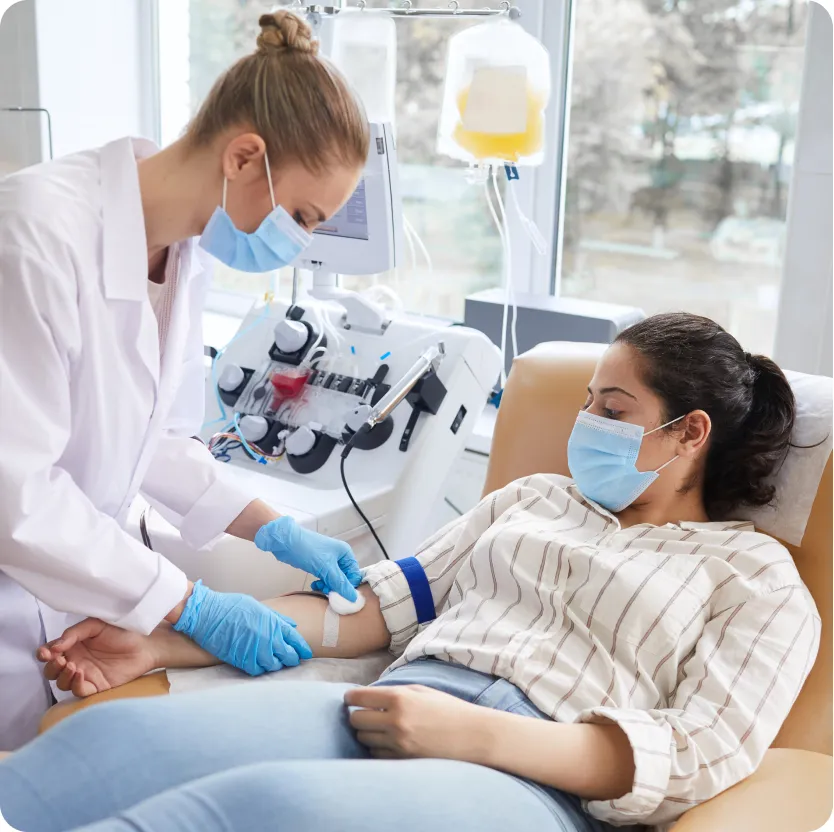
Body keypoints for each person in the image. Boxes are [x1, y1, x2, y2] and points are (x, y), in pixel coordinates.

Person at [1, 314, 820, 832]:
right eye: (584, 404)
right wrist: (169, 640)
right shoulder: (534, 500)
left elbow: (699, 753)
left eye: (613, 411)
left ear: (689, 434)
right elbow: (374, 609)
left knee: (271, 813)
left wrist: (477, 734)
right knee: (113, 743)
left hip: (537, 783)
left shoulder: (756, 580)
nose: (585, 424)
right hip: (387, 706)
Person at [0, 11, 369, 751]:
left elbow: (158, 441)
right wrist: (190, 606)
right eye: (301, 214)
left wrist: (272, 527)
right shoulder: (33, 232)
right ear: (242, 157)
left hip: (66, 593)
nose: (297, 239)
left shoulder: (184, 250)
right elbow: (14, 490)